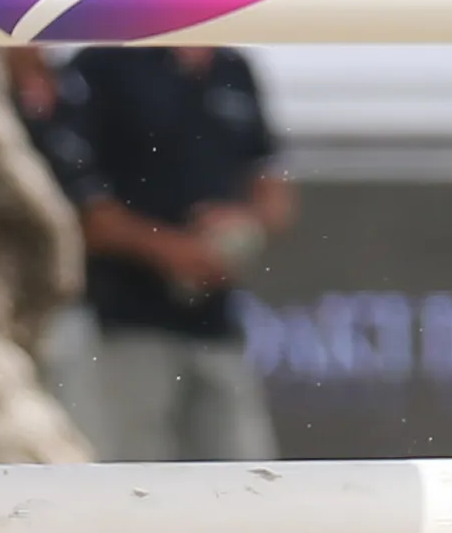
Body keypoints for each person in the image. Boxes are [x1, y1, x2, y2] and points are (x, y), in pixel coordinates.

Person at [29, 36, 293, 462]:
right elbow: (76, 204)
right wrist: (171, 250)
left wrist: (241, 226)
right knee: (132, 483)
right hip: (123, 325)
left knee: (249, 483)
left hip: (219, 326)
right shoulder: (103, 64)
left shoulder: (233, 69)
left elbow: (273, 189)